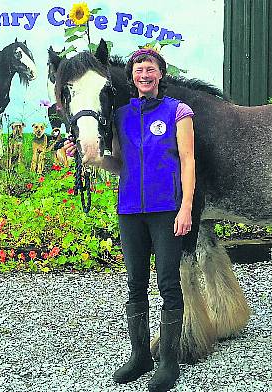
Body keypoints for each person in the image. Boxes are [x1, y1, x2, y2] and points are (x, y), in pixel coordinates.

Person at [65, 47, 195, 392]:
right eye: (139, 71)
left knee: (168, 285)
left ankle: (168, 362)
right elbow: (117, 164)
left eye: (150, 69)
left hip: (167, 209)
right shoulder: (121, 115)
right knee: (135, 285)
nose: (144, 75)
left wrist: (185, 208)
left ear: (160, 74)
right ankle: (140, 356)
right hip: (130, 211)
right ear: (132, 77)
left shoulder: (178, 112)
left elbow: (188, 162)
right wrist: (87, 156)